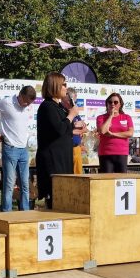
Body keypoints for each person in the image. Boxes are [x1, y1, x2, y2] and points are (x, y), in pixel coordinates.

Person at [0, 85, 36, 211]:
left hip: (23, 150)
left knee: (25, 185)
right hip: (10, 149)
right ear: (21, 95)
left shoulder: (26, 106)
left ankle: (25, 213)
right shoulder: (6, 102)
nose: (27, 105)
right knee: (9, 184)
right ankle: (7, 214)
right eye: (26, 102)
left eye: (30, 103)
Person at [36, 72, 83, 208]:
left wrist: (74, 126)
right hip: (52, 162)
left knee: (63, 198)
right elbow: (59, 129)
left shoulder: (58, 108)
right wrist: (72, 114)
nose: (66, 88)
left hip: (62, 160)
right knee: (54, 199)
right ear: (55, 86)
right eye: (64, 84)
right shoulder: (47, 106)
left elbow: (62, 130)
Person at [96, 93, 134, 173]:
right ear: (107, 104)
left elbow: (130, 133)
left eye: (115, 102)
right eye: (110, 102)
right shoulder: (101, 117)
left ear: (120, 104)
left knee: (121, 181)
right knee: (107, 181)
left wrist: (113, 134)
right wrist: (111, 116)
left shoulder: (126, 117)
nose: (112, 104)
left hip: (121, 153)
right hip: (105, 153)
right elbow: (103, 131)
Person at [67, 88, 86, 174]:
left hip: (77, 148)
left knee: (78, 175)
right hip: (66, 149)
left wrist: (81, 127)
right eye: (73, 99)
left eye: (76, 99)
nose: (75, 102)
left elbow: (85, 128)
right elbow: (64, 130)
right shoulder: (63, 112)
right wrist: (75, 129)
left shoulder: (76, 114)